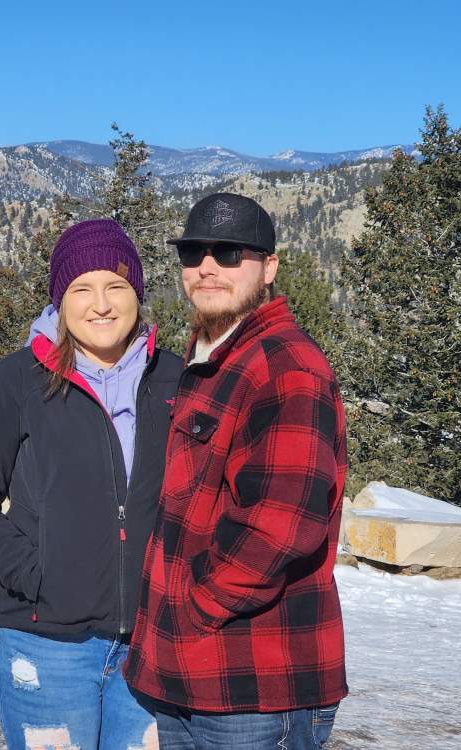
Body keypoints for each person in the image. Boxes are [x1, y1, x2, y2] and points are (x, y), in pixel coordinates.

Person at [0, 218, 182, 750]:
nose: (101, 304)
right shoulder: (17, 381)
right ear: (60, 301)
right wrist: (36, 573)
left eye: (116, 286)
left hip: (153, 641)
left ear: (137, 295)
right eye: (82, 289)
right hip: (46, 640)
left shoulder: (176, 379)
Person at [123, 193, 348, 749]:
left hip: (255, 686)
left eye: (229, 254)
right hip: (191, 677)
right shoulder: (214, 357)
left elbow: (281, 524)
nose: (207, 267)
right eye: (194, 253)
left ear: (269, 267)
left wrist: (196, 607)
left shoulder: (286, 367)